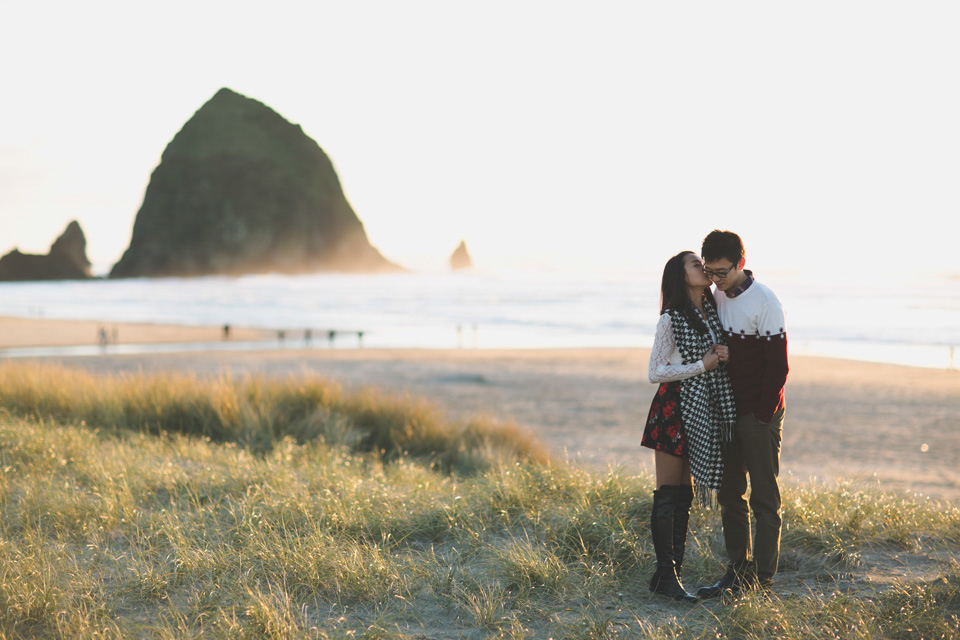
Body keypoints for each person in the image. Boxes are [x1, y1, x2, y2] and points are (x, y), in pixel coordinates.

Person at [696, 230, 788, 598]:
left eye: (722, 272)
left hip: (758, 413)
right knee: (730, 494)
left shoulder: (764, 301)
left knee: (764, 498)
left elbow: (778, 367)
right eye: (710, 272)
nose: (715, 280)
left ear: (741, 264)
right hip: (726, 411)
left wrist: (762, 417)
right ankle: (737, 571)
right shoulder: (716, 294)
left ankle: (763, 580)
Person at [643, 251, 738, 602]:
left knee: (683, 498)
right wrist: (703, 364)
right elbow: (655, 372)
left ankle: (668, 577)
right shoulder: (670, 318)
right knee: (669, 494)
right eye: (694, 264)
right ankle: (666, 578)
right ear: (680, 276)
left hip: (701, 408)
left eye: (702, 262)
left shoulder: (712, 309)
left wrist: (722, 356)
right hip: (673, 408)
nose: (702, 266)